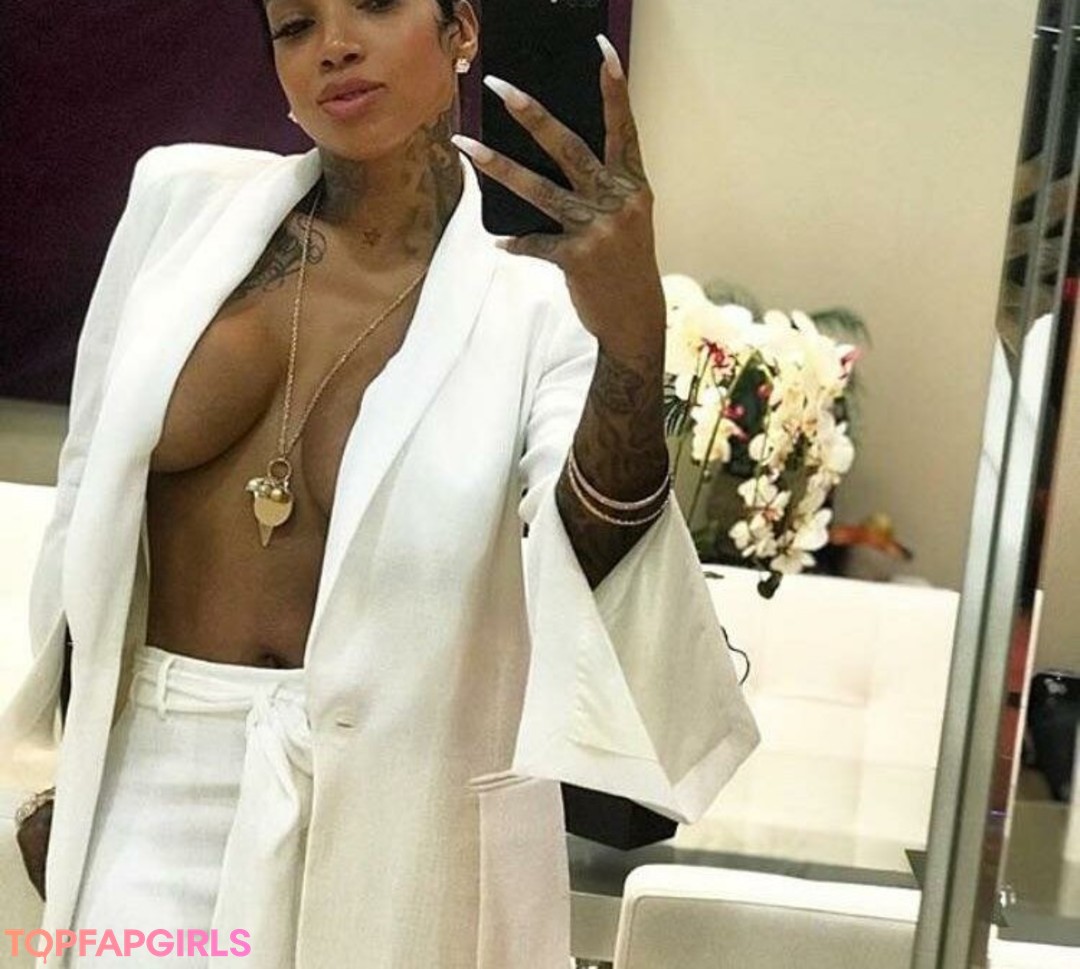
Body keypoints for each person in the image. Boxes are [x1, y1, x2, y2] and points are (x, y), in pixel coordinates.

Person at [3, 1, 759, 965]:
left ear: (462, 31)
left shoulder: (541, 293)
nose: (335, 46)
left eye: (374, 3)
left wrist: (632, 343)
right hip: (150, 789)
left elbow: (598, 547)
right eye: (295, 26)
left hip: (404, 817)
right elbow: (88, 505)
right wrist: (68, 774)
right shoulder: (179, 207)